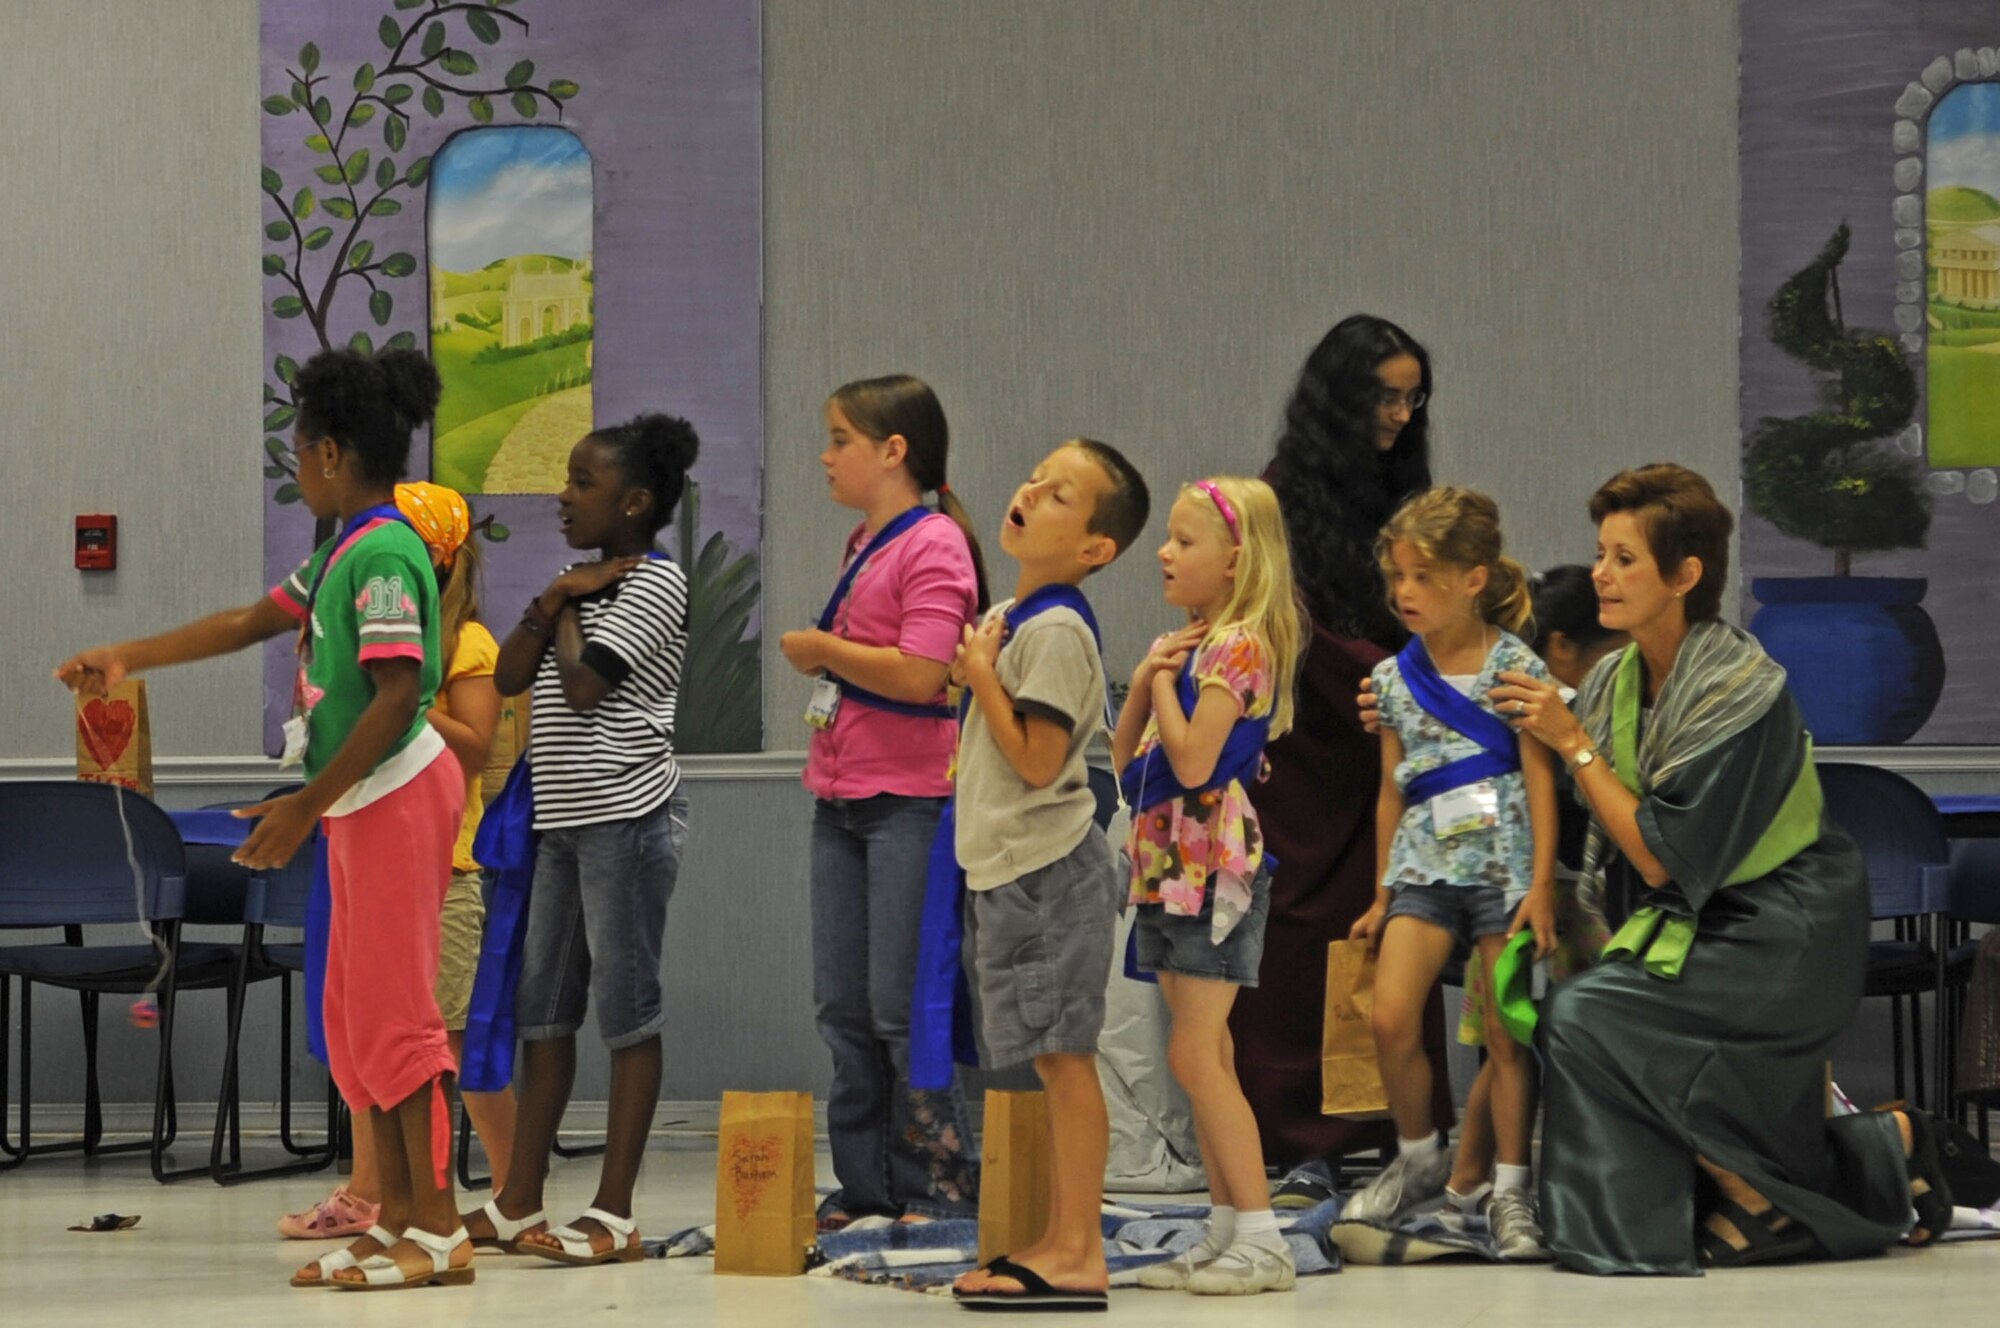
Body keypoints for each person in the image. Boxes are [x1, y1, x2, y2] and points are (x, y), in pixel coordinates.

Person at [59, 348, 473, 1290]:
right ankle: (399, 1218)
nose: (295, 466)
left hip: (396, 792)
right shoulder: (341, 546)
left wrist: (302, 807)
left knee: (401, 1016)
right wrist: (127, 654)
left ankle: (441, 1232)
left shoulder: (381, 551)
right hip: (360, 799)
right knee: (358, 1016)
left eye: (297, 449)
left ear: (329, 453)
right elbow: (250, 621)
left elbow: (398, 694)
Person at [1491, 463, 1952, 1273]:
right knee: (1585, 1011)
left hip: (1787, 929)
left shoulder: (1741, 689)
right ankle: (1796, 1179)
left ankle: (1700, 1210)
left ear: (1685, 576)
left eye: (1624, 558)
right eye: (1601, 553)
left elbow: (1663, 861)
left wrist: (1571, 740)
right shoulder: (1617, 680)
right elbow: (1577, 781)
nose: (1600, 572)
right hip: (1711, 922)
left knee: (1592, 1017)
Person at [464, 412, 701, 1266]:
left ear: (634, 503)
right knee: (543, 1013)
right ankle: (518, 1200)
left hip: (626, 819)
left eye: (581, 484)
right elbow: (509, 675)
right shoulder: (581, 576)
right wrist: (560, 593)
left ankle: (614, 1212)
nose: (562, 497)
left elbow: (584, 682)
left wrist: (565, 603)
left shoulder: (656, 585)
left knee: (626, 1013)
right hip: (560, 823)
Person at [1239, 314, 1451, 1208]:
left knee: (1384, 933)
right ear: (1341, 398)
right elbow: (1284, 617)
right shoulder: (1279, 495)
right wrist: (1388, 679)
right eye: (1385, 396)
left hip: (1389, 754)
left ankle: (1388, 1132)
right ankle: (1294, 1143)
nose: (1401, 414)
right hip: (1310, 742)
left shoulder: (1407, 489)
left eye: (1413, 397)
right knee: (1292, 946)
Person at [276, 481, 519, 1248]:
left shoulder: (469, 643)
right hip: (370, 841)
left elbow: (482, 748)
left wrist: (401, 697)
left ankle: (509, 1196)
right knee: (368, 1028)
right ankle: (376, 1193)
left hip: (444, 863)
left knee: (442, 1039)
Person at [947, 439, 1151, 1310]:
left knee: (1066, 1062)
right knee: (1044, 1058)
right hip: (1008, 871)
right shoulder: (1017, 614)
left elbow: (1036, 758)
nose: (1031, 490)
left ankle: (1079, 1250)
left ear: (1095, 548)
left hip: (1046, 874)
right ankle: (1063, 1238)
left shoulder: (1059, 629)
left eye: (1060, 494)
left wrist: (981, 674)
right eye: (1035, 475)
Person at [777, 375, 984, 1227]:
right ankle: (865, 1184)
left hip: (911, 802)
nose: (824, 457)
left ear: (893, 450)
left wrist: (824, 648)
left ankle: (935, 1184)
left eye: (839, 439)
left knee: (904, 1007)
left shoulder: (935, 543)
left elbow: (923, 673)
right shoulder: (865, 541)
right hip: (843, 798)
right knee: (843, 1007)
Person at [1342, 488, 1558, 1261]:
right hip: (1423, 870)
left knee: (1507, 1034)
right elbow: (1389, 787)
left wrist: (1538, 886)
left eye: (1423, 577)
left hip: (1503, 872)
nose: (1404, 593)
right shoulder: (1394, 679)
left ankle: (1509, 1190)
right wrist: (1378, 891)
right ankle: (1417, 1157)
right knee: (1392, 1017)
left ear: (1474, 579)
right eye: (1397, 576)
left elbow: (1539, 780)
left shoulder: (1514, 666)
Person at [1114, 477, 1303, 1296]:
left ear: (1234, 561)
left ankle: (1262, 1236)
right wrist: (1143, 680)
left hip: (1209, 872)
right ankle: (1228, 1228)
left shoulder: (1237, 649)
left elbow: (1192, 763)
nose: (1165, 551)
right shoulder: (1191, 645)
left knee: (1197, 1051)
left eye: (1185, 541)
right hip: (1166, 868)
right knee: (1201, 1050)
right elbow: (1128, 768)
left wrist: (1162, 682)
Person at [1432, 564, 1627, 1243]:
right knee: (1511, 1040)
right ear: (1564, 646)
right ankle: (1467, 1182)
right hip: (1535, 898)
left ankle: (1468, 1180)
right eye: (1611, 649)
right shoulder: (1542, 705)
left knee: (1513, 1044)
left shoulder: (1562, 702)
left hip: (1550, 895)